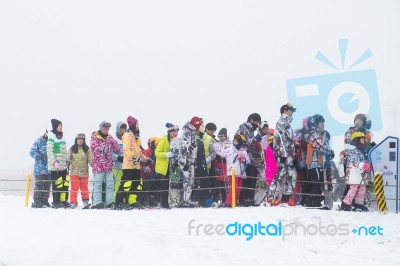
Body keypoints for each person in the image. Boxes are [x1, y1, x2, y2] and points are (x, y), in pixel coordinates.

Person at [115, 116, 149, 209]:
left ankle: (132, 201)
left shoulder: (135, 136)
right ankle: (118, 202)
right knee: (126, 184)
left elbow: (138, 150)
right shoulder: (127, 136)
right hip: (128, 166)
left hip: (136, 166)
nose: (138, 126)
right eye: (136, 124)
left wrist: (145, 158)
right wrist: (134, 157)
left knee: (136, 184)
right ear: (133, 125)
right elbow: (126, 150)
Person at [304, 114, 335, 207]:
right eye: (321, 123)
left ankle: (310, 201)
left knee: (319, 182)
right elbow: (320, 147)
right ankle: (315, 202)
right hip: (314, 162)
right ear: (315, 124)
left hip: (321, 162)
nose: (323, 124)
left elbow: (325, 146)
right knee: (316, 182)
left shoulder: (323, 134)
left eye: (323, 123)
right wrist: (330, 151)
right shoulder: (313, 134)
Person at [270, 103, 297, 206]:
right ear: (285, 111)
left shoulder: (286, 122)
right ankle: (273, 198)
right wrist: (283, 154)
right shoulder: (282, 122)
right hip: (284, 153)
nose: (292, 113)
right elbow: (282, 139)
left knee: (287, 174)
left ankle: (282, 198)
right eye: (290, 110)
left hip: (286, 152)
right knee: (282, 174)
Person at [90, 121, 121, 209]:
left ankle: (110, 202)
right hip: (99, 165)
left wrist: (122, 150)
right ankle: (97, 202)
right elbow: (93, 147)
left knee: (110, 184)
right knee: (98, 184)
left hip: (108, 166)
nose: (106, 130)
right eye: (104, 128)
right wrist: (103, 149)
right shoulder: (95, 136)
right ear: (100, 128)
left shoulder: (109, 137)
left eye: (107, 128)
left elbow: (117, 146)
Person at [213, 133, 250, 206]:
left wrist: (244, 158)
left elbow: (248, 161)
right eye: (234, 141)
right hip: (233, 171)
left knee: (238, 188)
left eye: (236, 141)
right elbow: (221, 152)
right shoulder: (230, 149)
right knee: (234, 187)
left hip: (241, 172)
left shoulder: (243, 150)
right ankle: (229, 202)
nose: (234, 142)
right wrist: (215, 144)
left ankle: (234, 201)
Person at [341, 132, 371, 211]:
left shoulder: (361, 151)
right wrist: (363, 165)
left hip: (360, 174)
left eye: (364, 139)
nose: (364, 141)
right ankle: (346, 204)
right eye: (362, 139)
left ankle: (358, 204)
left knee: (362, 189)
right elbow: (354, 162)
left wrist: (366, 164)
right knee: (353, 189)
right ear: (356, 140)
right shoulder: (353, 151)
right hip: (354, 174)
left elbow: (362, 161)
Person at [236, 113, 262, 206]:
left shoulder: (251, 130)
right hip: (244, 159)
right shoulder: (243, 128)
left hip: (251, 159)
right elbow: (246, 142)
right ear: (251, 120)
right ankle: (245, 199)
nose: (258, 124)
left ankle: (250, 199)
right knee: (246, 179)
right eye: (257, 122)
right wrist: (256, 138)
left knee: (252, 179)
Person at [155, 123, 180, 208]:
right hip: (165, 167)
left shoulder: (177, 141)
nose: (174, 133)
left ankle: (174, 201)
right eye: (172, 132)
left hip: (174, 166)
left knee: (174, 184)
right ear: (169, 132)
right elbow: (156, 153)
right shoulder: (164, 140)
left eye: (175, 132)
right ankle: (164, 203)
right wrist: (166, 154)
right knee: (165, 185)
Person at [179, 116, 202, 207]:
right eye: (199, 124)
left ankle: (187, 200)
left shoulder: (193, 132)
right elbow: (184, 147)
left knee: (191, 181)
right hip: (186, 161)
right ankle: (184, 200)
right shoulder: (187, 132)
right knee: (187, 181)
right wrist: (184, 161)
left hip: (191, 161)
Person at [47, 119, 69, 208]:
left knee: (65, 184)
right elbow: (49, 151)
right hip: (55, 166)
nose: (61, 127)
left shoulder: (62, 137)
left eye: (61, 126)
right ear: (55, 127)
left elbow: (65, 151)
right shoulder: (51, 136)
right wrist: (54, 162)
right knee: (57, 184)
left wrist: (67, 159)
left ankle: (63, 200)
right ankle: (56, 201)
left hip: (63, 166)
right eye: (59, 126)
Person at [68, 133, 92, 208]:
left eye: (82, 139)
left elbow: (91, 160)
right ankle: (73, 202)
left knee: (84, 187)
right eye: (79, 139)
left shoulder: (87, 149)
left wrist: (93, 164)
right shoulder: (72, 149)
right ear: (76, 140)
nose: (80, 140)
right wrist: (67, 161)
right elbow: (68, 157)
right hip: (74, 172)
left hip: (84, 172)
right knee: (74, 187)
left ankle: (85, 202)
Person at [30, 129, 51, 208]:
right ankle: (37, 201)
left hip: (49, 169)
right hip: (39, 169)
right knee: (39, 185)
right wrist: (41, 156)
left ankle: (45, 201)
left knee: (47, 186)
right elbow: (32, 152)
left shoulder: (52, 142)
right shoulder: (39, 141)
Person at [212, 128, 231, 206]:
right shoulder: (218, 143)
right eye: (219, 136)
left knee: (225, 184)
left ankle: (225, 200)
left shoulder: (229, 143)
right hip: (219, 165)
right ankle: (216, 200)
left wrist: (225, 156)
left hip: (226, 165)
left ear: (225, 135)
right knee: (218, 183)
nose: (220, 137)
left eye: (222, 136)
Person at [112, 121, 127, 200]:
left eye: (124, 128)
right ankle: (115, 200)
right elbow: (110, 152)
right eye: (121, 128)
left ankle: (122, 199)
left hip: (125, 165)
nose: (123, 130)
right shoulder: (113, 138)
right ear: (118, 128)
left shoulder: (126, 138)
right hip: (116, 165)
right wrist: (117, 157)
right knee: (117, 183)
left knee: (123, 183)